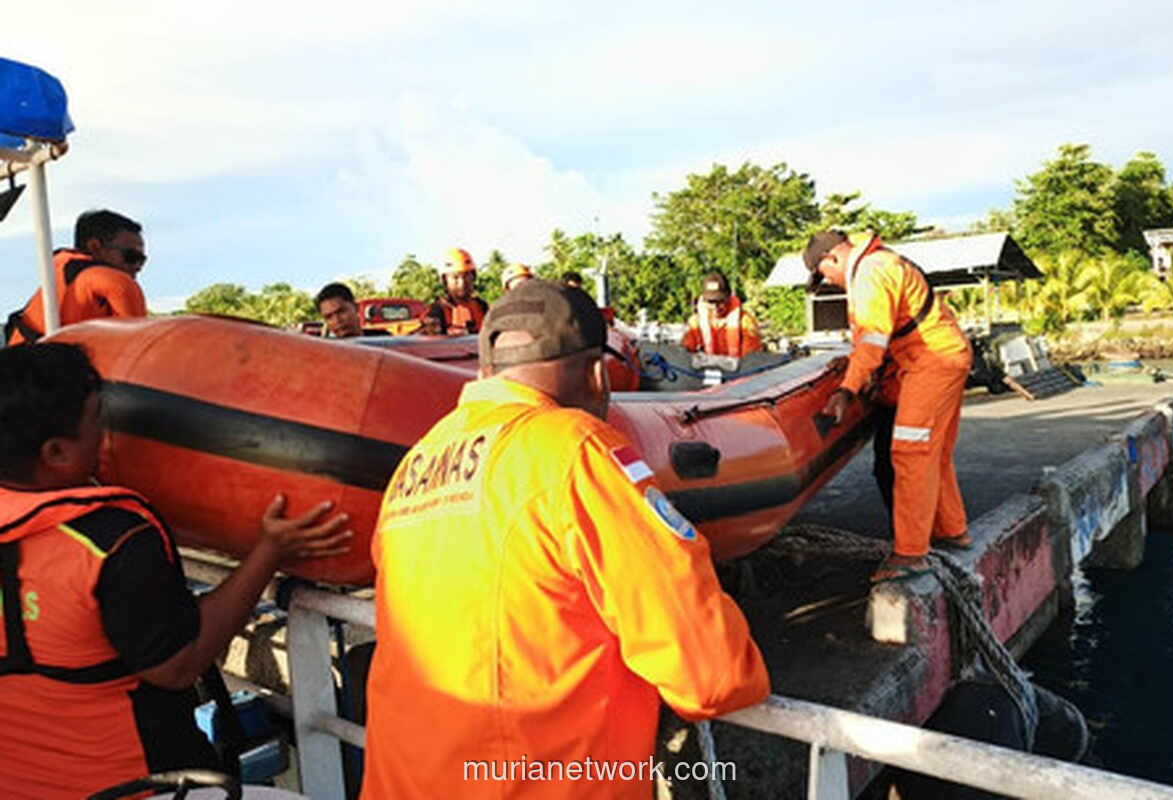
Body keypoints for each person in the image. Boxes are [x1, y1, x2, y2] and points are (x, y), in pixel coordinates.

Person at [363, 280, 768, 799]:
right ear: (599, 373)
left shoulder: (415, 464)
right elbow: (712, 675)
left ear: (486, 369)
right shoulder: (577, 452)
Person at [0, 343, 352, 800]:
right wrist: (270, 552)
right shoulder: (110, 540)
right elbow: (178, 665)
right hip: (137, 787)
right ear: (58, 454)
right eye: (98, 424)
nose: (110, 437)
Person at [800, 229, 973, 583]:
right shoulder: (880, 264)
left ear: (832, 257)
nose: (829, 283)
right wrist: (853, 366)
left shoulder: (869, 275)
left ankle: (911, 554)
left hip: (931, 363)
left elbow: (873, 342)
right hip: (943, 356)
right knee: (934, 453)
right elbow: (881, 339)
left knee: (911, 453)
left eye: (823, 275)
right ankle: (952, 529)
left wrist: (847, 390)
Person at [6, 209, 149, 346]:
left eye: (142, 259)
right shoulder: (106, 279)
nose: (138, 265)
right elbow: (141, 344)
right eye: (131, 256)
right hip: (37, 366)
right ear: (95, 247)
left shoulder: (62, 270)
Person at [680, 271, 763, 358]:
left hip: (738, 370)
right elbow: (685, 353)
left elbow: (751, 358)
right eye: (710, 301)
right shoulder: (695, 323)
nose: (715, 306)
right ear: (704, 300)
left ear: (729, 298)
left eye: (720, 301)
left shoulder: (745, 321)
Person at [420, 248, 489, 335]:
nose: (462, 283)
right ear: (445, 281)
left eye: (466, 276)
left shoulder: (483, 307)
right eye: (455, 277)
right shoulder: (437, 311)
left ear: (473, 277)